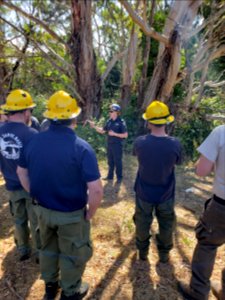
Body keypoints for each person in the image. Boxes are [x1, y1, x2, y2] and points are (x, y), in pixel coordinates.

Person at [17, 90, 103, 300]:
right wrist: (91, 213)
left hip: (42, 210)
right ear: (74, 118)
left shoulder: (33, 142)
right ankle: (71, 290)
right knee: (72, 252)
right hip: (71, 214)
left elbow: (21, 172)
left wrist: (34, 193)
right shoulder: (82, 148)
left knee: (47, 249)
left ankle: (50, 286)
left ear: (49, 116)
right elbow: (96, 189)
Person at [178, 124, 225, 300]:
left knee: (207, 244)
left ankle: (198, 291)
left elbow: (201, 171)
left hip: (222, 205)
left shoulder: (221, 132)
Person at [133, 100, 182, 263]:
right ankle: (164, 255)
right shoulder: (175, 144)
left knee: (142, 222)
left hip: (143, 193)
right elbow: (177, 162)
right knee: (167, 224)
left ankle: (143, 253)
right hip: (166, 194)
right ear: (167, 121)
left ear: (148, 122)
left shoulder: (140, 142)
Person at [0, 89, 40, 261]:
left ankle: (23, 249)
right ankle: (39, 252)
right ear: (25, 112)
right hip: (31, 185)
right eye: (30, 110)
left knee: (19, 219)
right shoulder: (32, 134)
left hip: (11, 184)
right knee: (36, 220)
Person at [88, 103, 128, 183]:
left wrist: (114, 134)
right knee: (110, 161)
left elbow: (125, 135)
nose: (109, 112)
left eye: (111, 111)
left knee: (118, 161)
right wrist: (94, 126)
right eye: (109, 111)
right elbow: (102, 131)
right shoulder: (109, 121)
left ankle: (119, 178)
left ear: (116, 112)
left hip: (117, 145)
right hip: (110, 144)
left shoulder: (121, 122)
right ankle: (110, 176)